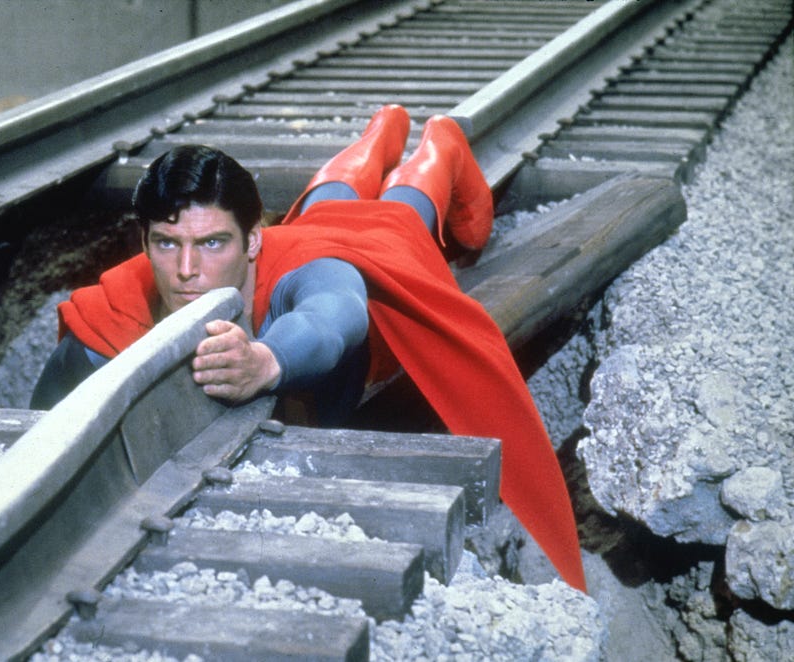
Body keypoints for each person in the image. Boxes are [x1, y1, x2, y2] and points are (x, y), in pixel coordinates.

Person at [30, 105, 586, 592]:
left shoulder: (312, 274)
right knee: (326, 204)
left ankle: (439, 139)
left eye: (212, 243)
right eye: (167, 244)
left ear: (252, 241)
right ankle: (380, 133)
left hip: (373, 248)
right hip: (312, 227)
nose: (187, 271)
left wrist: (266, 361)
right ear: (147, 241)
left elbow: (335, 315)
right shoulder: (123, 299)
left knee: (399, 211)